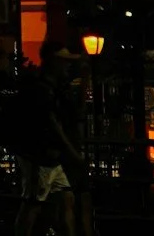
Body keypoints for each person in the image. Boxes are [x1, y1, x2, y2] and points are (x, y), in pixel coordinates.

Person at [6, 44, 93, 236]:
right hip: (41, 155)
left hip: (48, 156)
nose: (68, 66)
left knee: (62, 199)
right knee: (35, 203)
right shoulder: (45, 89)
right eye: (65, 62)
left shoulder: (49, 87)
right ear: (55, 63)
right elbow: (53, 124)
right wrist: (72, 152)